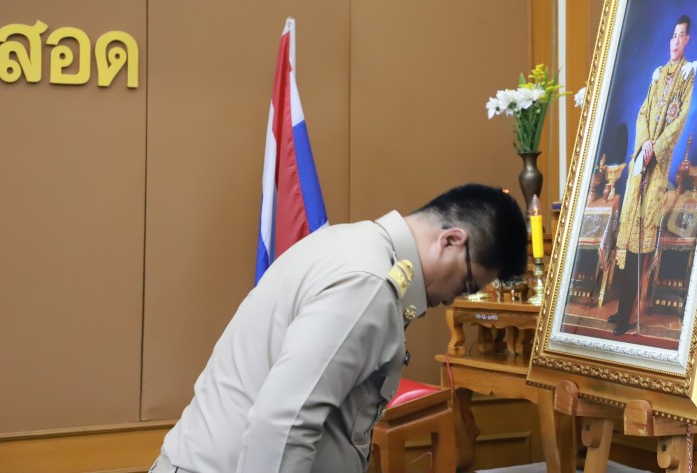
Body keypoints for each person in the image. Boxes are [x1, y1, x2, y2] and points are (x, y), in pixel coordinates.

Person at [149, 183, 526, 473]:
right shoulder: (367, 283)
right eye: (465, 285)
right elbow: (283, 426)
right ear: (451, 241)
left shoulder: (350, 243)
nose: (451, 299)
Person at [608, 16, 696, 336]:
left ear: (687, 40)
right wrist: (644, 142)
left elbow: (679, 119)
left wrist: (655, 149)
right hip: (640, 161)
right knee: (628, 237)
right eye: (673, 35)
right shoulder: (657, 74)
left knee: (641, 243)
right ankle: (621, 311)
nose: (675, 41)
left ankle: (627, 314)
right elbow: (643, 112)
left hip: (657, 167)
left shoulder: (687, 74)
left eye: (681, 36)